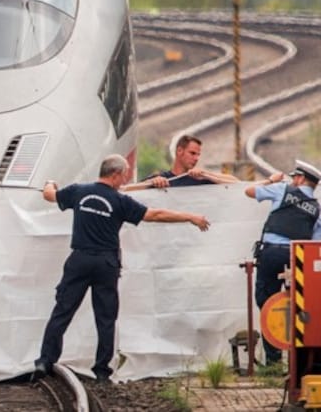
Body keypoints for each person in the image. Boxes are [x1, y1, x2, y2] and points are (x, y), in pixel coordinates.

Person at [32, 154, 210, 382]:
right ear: (115, 174)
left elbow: (49, 195)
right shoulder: (119, 201)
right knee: (105, 318)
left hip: (79, 260)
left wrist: (50, 182)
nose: (125, 180)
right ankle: (101, 371)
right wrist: (190, 217)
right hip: (106, 264)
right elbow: (155, 215)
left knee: (62, 311)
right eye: (124, 175)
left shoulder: (79, 191)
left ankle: (45, 361)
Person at [245, 160, 321, 366]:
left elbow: (250, 191)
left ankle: (273, 359)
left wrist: (271, 180)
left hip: (271, 254)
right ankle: (298, 362)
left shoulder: (281, 189)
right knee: (300, 306)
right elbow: (315, 244)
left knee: (266, 301)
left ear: (300, 179)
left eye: (294, 176)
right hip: (297, 258)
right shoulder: (317, 209)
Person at [141, 135, 239, 189]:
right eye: (192, 153)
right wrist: (151, 182)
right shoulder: (162, 179)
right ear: (179, 151)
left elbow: (236, 183)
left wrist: (206, 174)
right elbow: (129, 191)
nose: (196, 158)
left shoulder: (200, 179)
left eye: (198, 155)